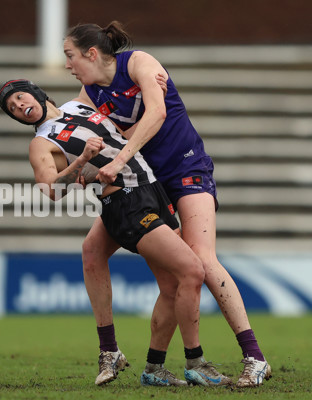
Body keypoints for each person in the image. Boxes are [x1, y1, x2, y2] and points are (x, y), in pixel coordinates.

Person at [63, 21, 271, 388]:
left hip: (185, 168)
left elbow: (157, 115)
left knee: (201, 260)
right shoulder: (89, 92)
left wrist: (118, 156)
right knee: (92, 250)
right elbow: (83, 133)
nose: (67, 64)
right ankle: (120, 354)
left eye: (70, 56)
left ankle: (254, 357)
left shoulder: (138, 63)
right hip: (144, 182)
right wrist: (79, 166)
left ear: (92, 53)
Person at [0, 78, 231, 387]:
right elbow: (50, 190)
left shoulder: (77, 105)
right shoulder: (41, 143)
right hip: (125, 203)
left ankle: (154, 369)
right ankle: (195, 362)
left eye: (19, 98)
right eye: (11, 109)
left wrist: (149, 76)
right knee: (191, 271)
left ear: (37, 93)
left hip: (152, 189)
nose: (19, 107)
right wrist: (81, 160)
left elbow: (98, 71)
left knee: (172, 285)